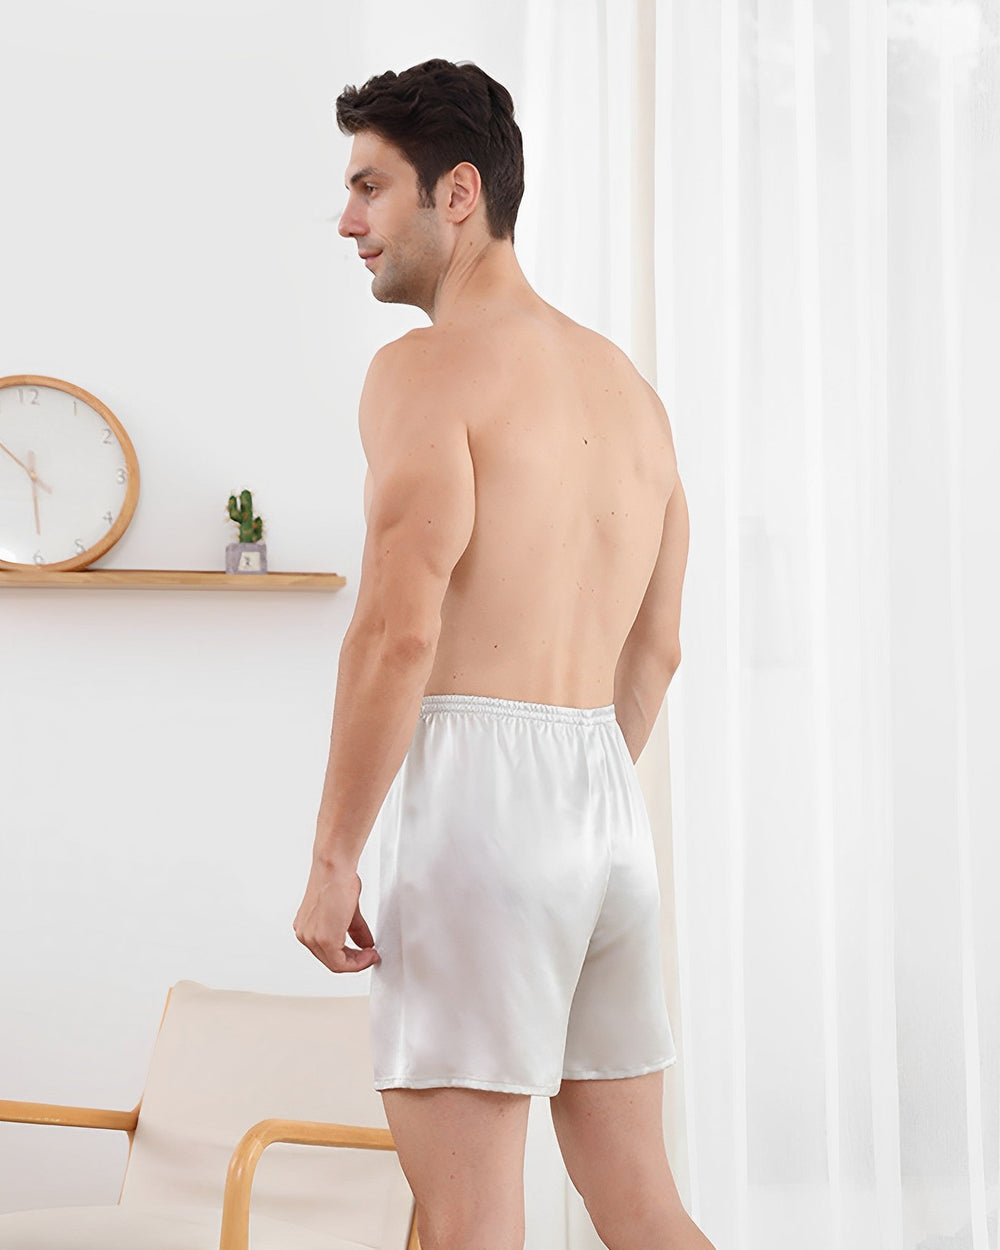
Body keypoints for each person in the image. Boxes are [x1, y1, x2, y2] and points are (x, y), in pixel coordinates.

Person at [293, 58, 711, 1250]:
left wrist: (333, 856)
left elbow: (397, 625)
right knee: (639, 1203)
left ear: (457, 191)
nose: (348, 220)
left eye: (371, 187)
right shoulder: (631, 396)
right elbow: (660, 647)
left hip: (482, 804)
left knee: (468, 1219)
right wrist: (573, 805)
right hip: (602, 808)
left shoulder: (423, 370)